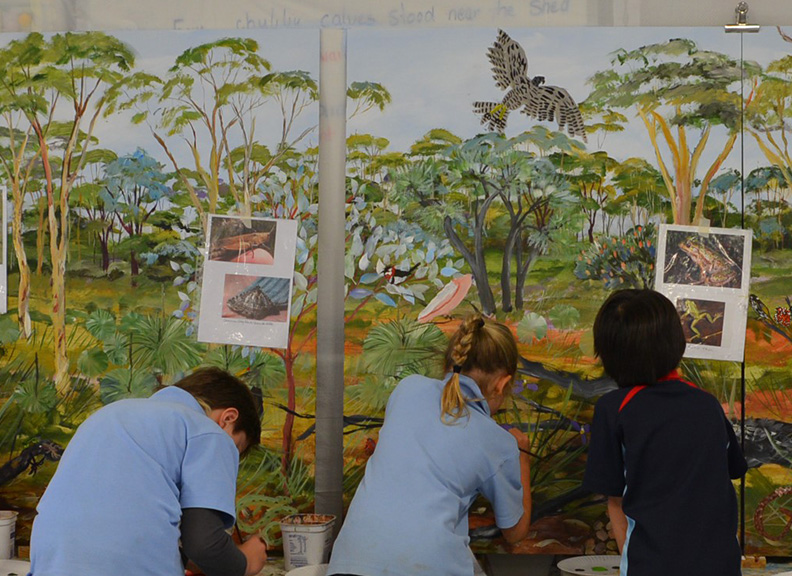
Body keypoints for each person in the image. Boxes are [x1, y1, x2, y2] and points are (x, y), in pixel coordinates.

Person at [327, 314, 532, 576]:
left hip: (348, 565)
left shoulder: (406, 390)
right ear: (501, 384)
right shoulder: (498, 442)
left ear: (449, 362)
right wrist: (522, 455)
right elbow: (515, 532)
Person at [30, 367, 269, 576]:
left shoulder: (108, 414)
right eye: (236, 447)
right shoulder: (211, 432)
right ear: (228, 418)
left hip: (49, 563)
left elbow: (111, 523)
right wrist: (246, 562)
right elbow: (203, 544)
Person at [583, 289, 747, 576]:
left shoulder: (614, 409)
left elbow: (615, 501)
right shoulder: (707, 404)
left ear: (608, 352)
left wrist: (633, 561)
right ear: (675, 342)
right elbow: (733, 469)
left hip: (652, 567)